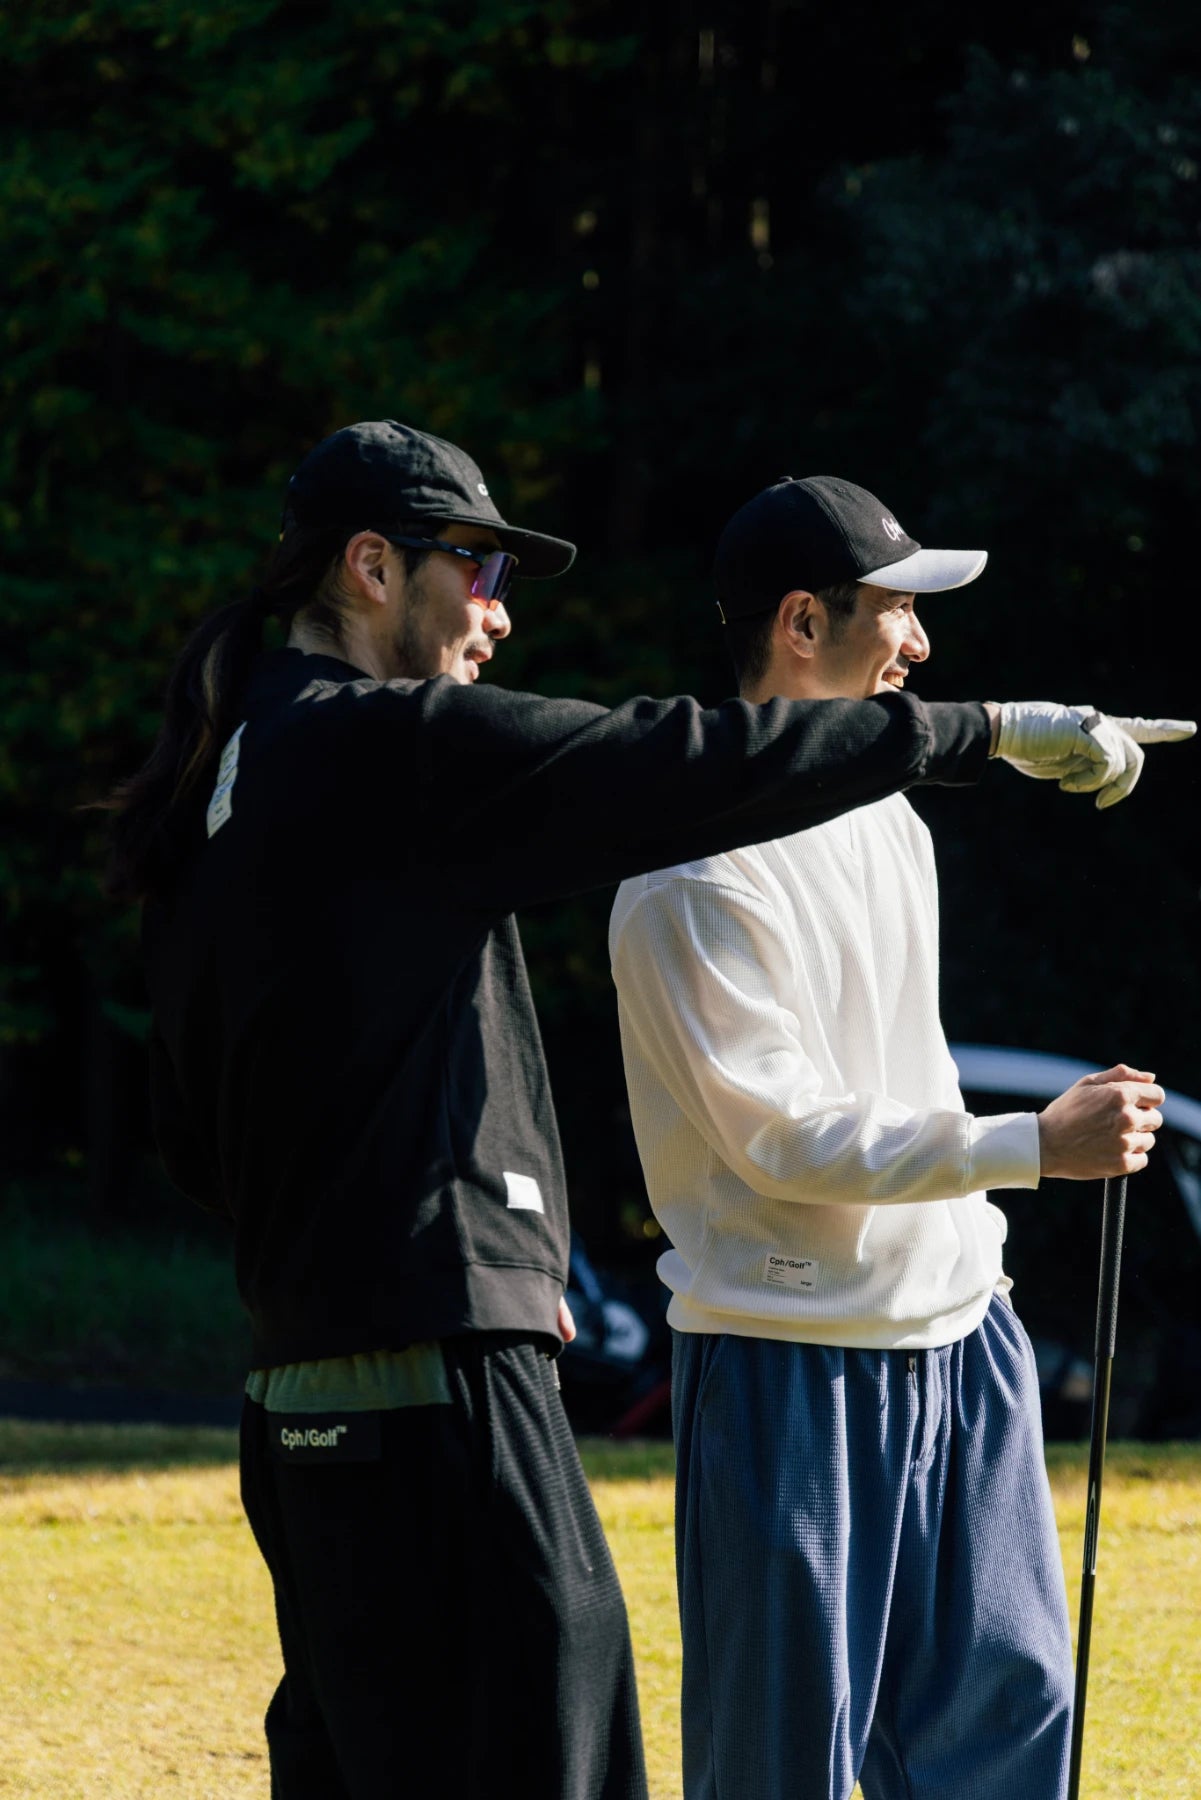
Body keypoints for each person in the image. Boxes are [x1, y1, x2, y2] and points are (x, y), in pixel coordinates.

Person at [105, 429, 1191, 1800]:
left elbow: (194, 1124)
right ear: (371, 568)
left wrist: (493, 1248)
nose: (500, 604)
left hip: (339, 1369)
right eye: (479, 563)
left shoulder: (247, 761)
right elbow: (653, 762)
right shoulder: (370, 746)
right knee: (561, 1744)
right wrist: (984, 736)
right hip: (438, 1373)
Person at [608, 474, 1194, 1800]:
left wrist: (991, 1204)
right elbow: (783, 1138)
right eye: (895, 613)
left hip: (959, 1339)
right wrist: (1026, 1147)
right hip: (784, 1367)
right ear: (800, 625)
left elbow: (893, 1076)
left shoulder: (888, 817)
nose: (921, 647)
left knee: (1012, 1721)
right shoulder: (690, 872)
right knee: (780, 1769)